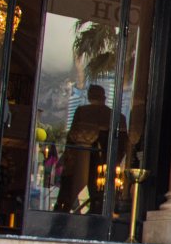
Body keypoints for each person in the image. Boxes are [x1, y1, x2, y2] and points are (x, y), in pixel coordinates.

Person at [54, 84, 127, 213]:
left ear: (89, 97)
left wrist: (68, 162)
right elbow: (122, 146)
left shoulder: (82, 112)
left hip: (84, 165)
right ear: (104, 98)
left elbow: (72, 140)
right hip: (105, 167)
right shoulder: (119, 117)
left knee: (82, 195)